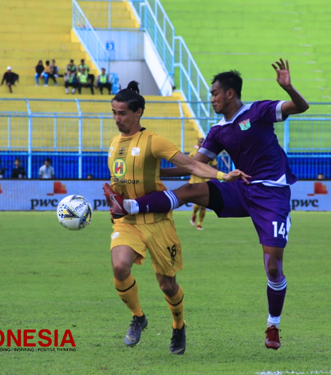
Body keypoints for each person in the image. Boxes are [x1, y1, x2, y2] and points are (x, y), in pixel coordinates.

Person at [103, 58, 309, 350]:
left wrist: (289, 88)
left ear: (229, 94)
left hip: (272, 194)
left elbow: (300, 107)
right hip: (241, 187)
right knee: (190, 190)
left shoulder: (259, 111)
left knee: (273, 268)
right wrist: (152, 171)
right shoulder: (218, 131)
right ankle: (133, 208)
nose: (211, 98)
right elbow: (193, 166)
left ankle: (273, 325)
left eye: (214, 93)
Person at [102, 81, 247, 355]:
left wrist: (222, 175)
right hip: (128, 223)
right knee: (120, 267)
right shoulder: (113, 145)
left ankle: (179, 326)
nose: (117, 119)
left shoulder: (153, 141)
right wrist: (112, 199)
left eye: (122, 113)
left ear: (138, 112)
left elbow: (190, 164)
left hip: (158, 222)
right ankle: (138, 317)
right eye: (114, 112)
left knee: (167, 285)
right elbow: (118, 183)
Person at [187, 137, 218, 230]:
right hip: (195, 181)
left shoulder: (210, 154)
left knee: (205, 204)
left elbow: (215, 166)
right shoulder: (193, 154)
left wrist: (216, 176)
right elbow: (187, 165)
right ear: (198, 144)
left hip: (205, 181)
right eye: (200, 143)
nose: (201, 144)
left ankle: (199, 224)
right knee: (197, 203)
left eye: (202, 143)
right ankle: (193, 214)